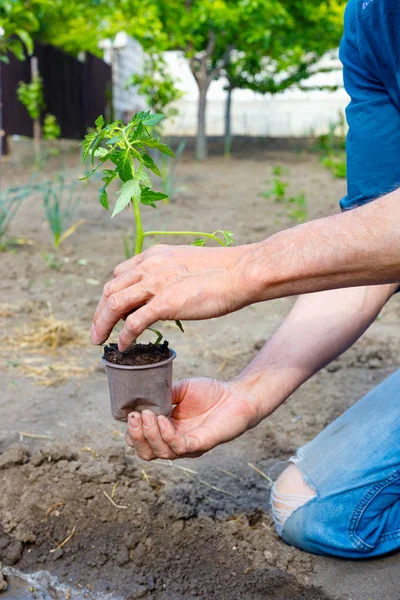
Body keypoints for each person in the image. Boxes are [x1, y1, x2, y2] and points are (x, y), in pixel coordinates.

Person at [91, 0, 400, 559]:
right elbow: (372, 253)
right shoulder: (372, 23)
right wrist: (248, 394)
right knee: (317, 512)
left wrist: (246, 267)